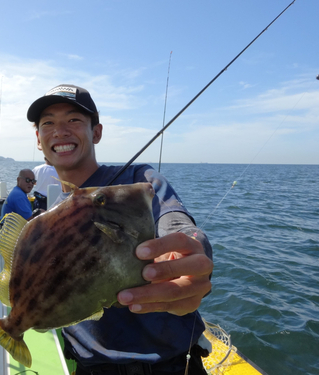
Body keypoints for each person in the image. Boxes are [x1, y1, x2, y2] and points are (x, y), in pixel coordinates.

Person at [27, 84, 214, 375]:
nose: (60, 131)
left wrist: (188, 250)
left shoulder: (137, 182)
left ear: (96, 132)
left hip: (172, 367)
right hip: (92, 369)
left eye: (74, 120)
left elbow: (177, 224)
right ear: (39, 139)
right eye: (48, 122)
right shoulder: (46, 218)